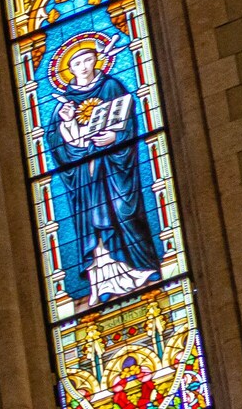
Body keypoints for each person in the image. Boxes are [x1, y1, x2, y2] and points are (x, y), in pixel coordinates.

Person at [47, 42, 159, 305]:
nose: (83, 67)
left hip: (115, 167)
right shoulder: (63, 102)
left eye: (88, 60)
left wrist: (115, 137)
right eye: (76, 63)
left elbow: (129, 122)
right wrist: (67, 123)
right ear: (69, 69)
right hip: (86, 177)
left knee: (124, 210)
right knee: (94, 223)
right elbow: (57, 145)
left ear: (96, 60)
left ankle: (139, 270)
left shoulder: (112, 87)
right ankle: (103, 283)